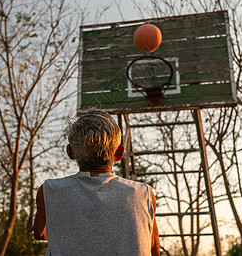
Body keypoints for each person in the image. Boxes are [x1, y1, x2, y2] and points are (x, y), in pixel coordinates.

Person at [33, 109, 160, 255]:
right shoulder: (143, 194)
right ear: (119, 153)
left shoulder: (49, 190)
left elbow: (39, 233)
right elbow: (154, 248)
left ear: (70, 152)